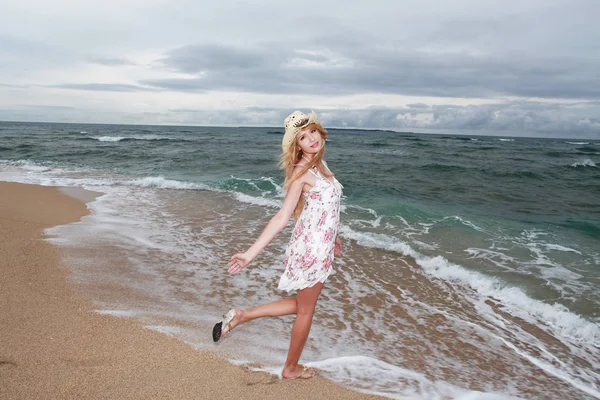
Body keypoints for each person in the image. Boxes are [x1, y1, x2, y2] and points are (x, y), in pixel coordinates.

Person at [212, 110, 343, 380]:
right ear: (297, 147)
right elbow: (283, 216)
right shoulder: (302, 171)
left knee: (301, 305)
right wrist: (250, 254)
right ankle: (290, 368)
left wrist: (335, 236)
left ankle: (240, 316)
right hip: (310, 251)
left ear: (320, 131)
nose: (311, 140)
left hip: (321, 246)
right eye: (303, 138)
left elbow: (324, 208)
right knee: (306, 310)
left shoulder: (322, 164)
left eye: (312, 132)